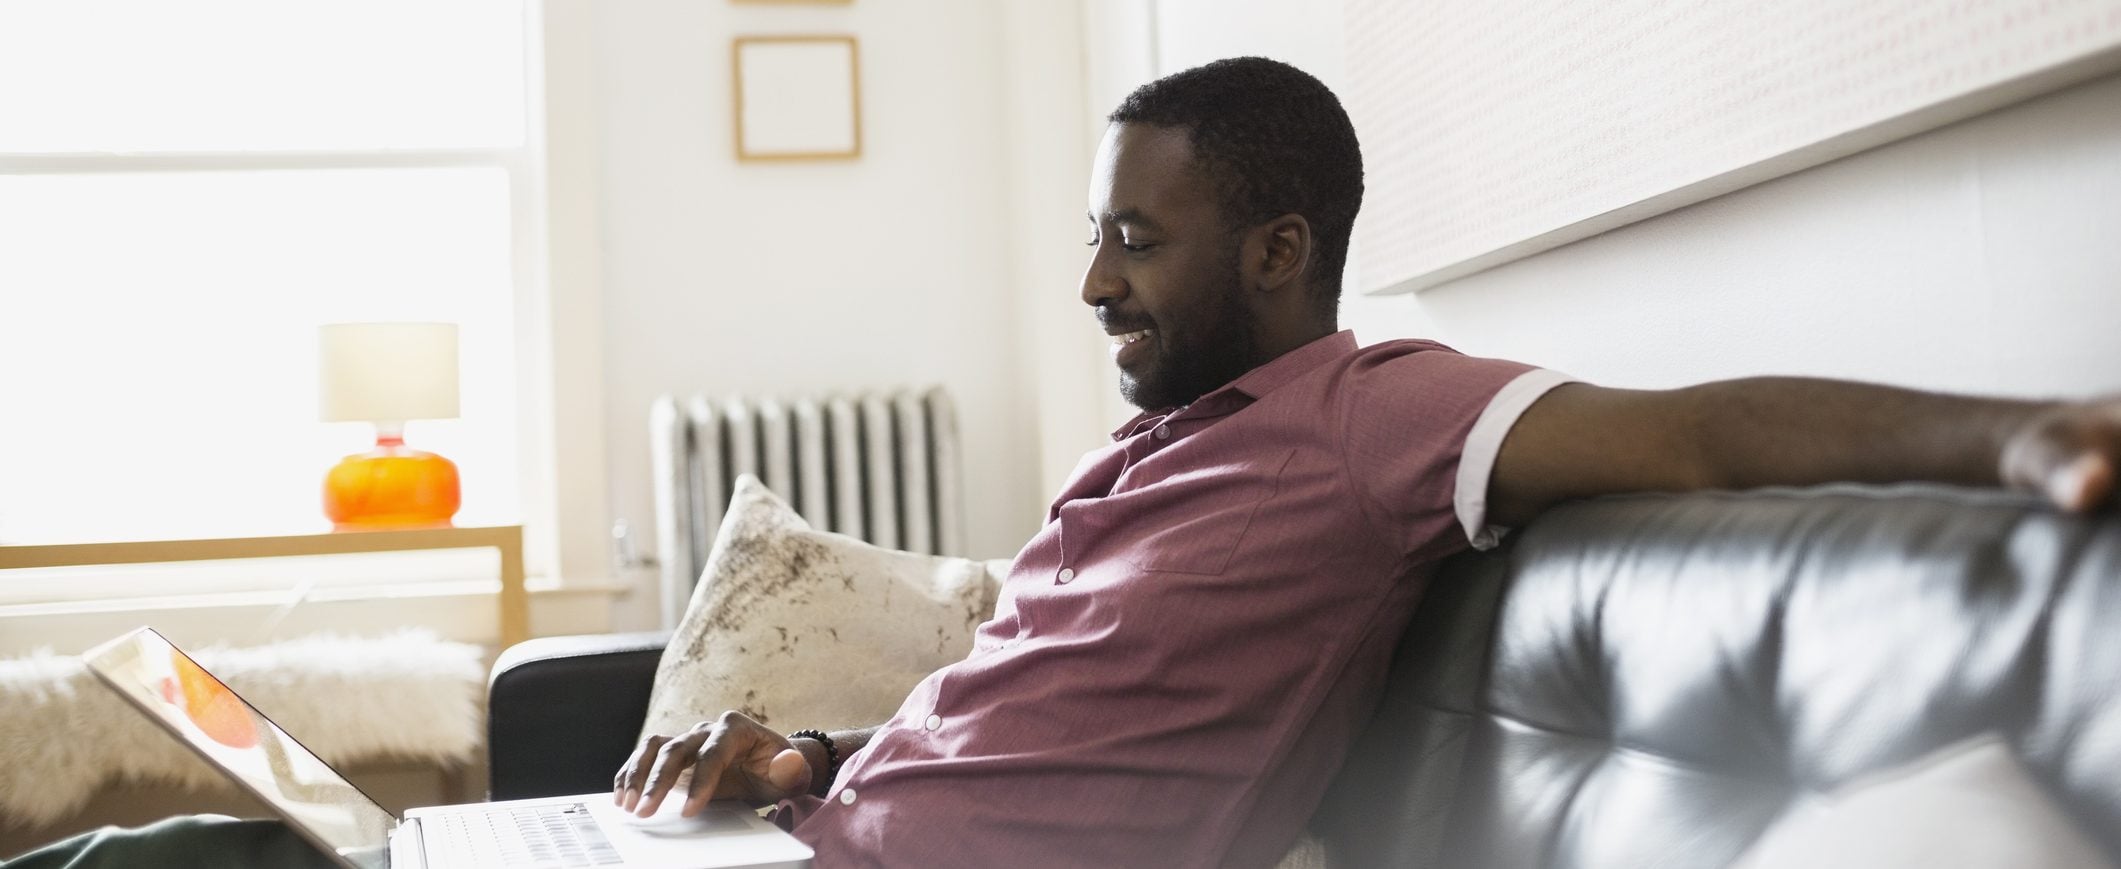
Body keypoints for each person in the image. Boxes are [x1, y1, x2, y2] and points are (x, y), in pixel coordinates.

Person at [8, 56, 2115, 869]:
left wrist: (2013, 433)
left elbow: (1708, 426)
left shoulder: (1375, 419)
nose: (1091, 277)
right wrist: (803, 774)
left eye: (1136, 235)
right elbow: (1026, 742)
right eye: (1093, 229)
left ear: (1276, 251)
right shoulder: (1144, 460)